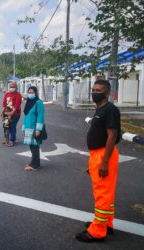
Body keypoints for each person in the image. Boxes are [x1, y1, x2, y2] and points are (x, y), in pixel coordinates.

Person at [75, 79, 121, 242]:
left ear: (107, 93)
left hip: (104, 156)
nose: (94, 92)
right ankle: (107, 224)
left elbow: (112, 135)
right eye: (93, 89)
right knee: (105, 193)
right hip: (97, 155)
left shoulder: (110, 109)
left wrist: (104, 162)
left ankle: (97, 231)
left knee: (102, 193)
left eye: (98, 90)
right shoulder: (100, 108)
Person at [22, 86, 45, 171]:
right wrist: (23, 128)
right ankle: (35, 162)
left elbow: (40, 117)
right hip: (28, 128)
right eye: (29, 92)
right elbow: (26, 116)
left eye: (32, 92)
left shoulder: (39, 103)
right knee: (31, 146)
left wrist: (38, 129)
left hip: (34, 128)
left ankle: (34, 165)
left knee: (35, 146)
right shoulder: (28, 101)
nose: (30, 94)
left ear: (35, 93)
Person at [1, 82, 22, 147]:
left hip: (15, 114)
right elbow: (4, 104)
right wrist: (2, 112)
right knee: (6, 126)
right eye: (10, 86)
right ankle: (6, 140)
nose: (12, 88)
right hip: (6, 113)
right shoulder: (7, 94)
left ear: (16, 87)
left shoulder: (18, 95)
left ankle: (12, 140)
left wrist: (11, 114)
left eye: (13, 87)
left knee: (13, 126)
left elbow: (16, 106)